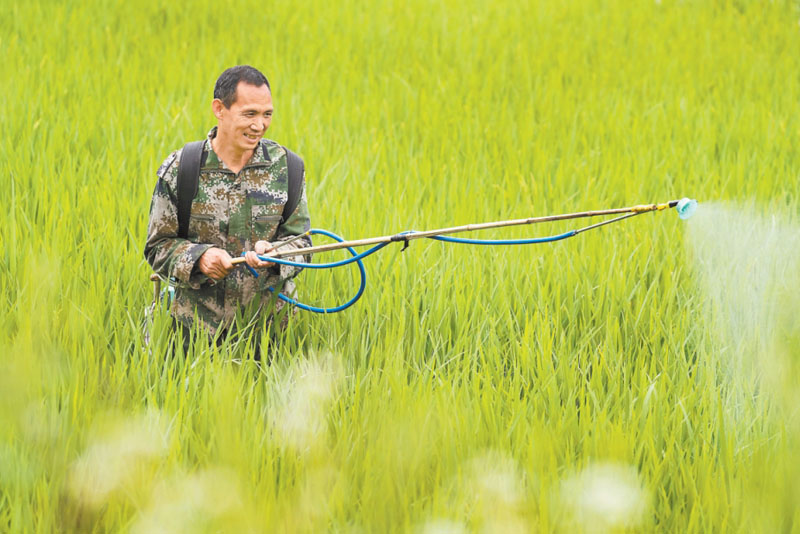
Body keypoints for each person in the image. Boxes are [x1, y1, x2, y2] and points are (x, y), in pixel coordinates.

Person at [144, 65, 311, 358]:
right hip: (192, 336)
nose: (260, 125)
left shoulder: (288, 169)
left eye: (267, 114)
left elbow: (305, 245)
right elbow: (158, 247)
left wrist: (276, 254)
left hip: (270, 334)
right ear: (219, 109)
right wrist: (199, 258)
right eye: (250, 114)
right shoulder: (183, 169)